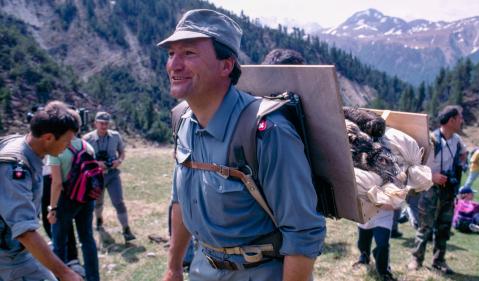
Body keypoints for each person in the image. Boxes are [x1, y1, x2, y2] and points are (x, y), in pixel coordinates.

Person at [158, 9, 326, 281]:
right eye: (170, 54)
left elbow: (303, 231)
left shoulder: (267, 132)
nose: (174, 65)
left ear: (226, 65)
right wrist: (174, 266)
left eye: (189, 53)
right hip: (201, 270)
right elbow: (180, 201)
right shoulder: (183, 122)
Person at [0, 101, 82, 281]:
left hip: (18, 253)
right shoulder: (14, 168)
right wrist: (66, 273)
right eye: (66, 141)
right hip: (7, 259)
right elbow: (24, 231)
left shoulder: (27, 147)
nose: (68, 147)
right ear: (48, 138)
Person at [408, 105, 467, 274]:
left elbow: (463, 154)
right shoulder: (431, 139)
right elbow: (417, 165)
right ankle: (416, 259)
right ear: (451, 120)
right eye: (460, 118)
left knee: (444, 227)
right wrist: (432, 176)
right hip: (431, 189)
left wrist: (460, 165)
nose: (462, 121)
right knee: (425, 226)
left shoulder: (457, 140)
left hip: (448, 190)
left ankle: (439, 261)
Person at [47, 110, 100, 281]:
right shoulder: (87, 146)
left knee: (59, 243)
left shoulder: (56, 150)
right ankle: (93, 277)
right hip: (86, 199)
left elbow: (57, 183)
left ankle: (59, 277)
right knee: (87, 239)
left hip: (66, 201)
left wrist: (52, 208)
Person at [83, 111, 135, 242]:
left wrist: (119, 160)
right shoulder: (87, 139)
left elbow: (122, 152)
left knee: (119, 202)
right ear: (95, 123)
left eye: (106, 123)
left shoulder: (115, 136)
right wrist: (96, 163)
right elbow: (83, 158)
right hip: (95, 176)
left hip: (112, 174)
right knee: (98, 202)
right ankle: (99, 220)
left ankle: (126, 229)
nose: (103, 126)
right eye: (101, 123)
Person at [353, 206, 397, 281]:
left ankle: (384, 272)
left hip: (384, 216)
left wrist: (394, 203)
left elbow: (397, 201)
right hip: (365, 213)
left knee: (383, 245)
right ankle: (364, 257)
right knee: (362, 243)